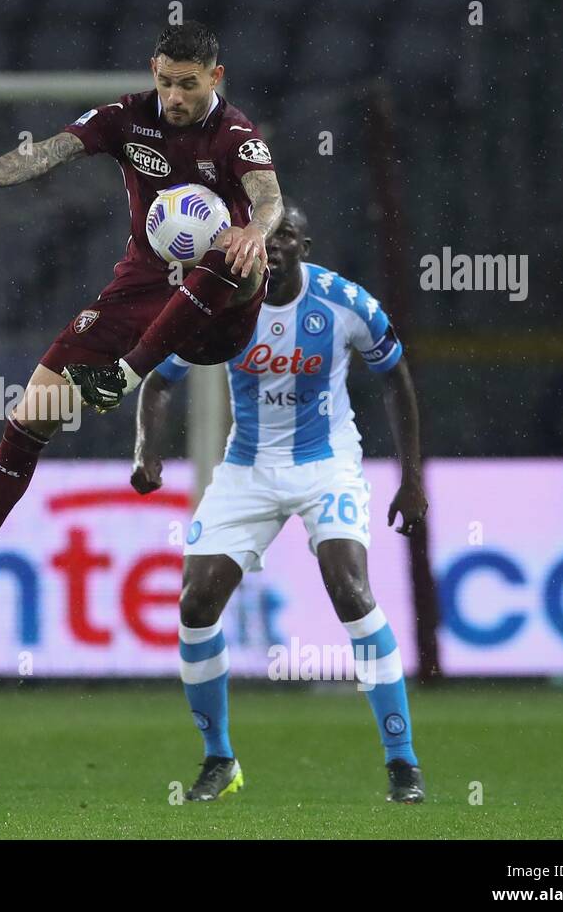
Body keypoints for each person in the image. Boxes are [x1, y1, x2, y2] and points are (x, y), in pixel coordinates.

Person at [0, 21, 284, 604]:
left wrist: (256, 228)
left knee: (240, 253)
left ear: (216, 78)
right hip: (143, 292)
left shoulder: (234, 133)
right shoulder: (126, 118)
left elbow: (270, 195)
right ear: (154, 69)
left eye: (190, 86)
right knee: (31, 416)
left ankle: (123, 376)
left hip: (219, 307)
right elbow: (48, 152)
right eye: (167, 82)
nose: (175, 98)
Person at [132, 204, 429, 803]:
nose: (274, 244)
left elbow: (395, 377)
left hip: (327, 464)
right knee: (195, 604)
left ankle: (403, 763)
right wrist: (147, 452)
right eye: (264, 235)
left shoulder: (345, 303)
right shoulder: (215, 308)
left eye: (285, 233)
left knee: (352, 592)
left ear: (303, 244)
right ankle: (219, 761)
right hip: (247, 467)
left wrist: (412, 477)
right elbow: (158, 382)